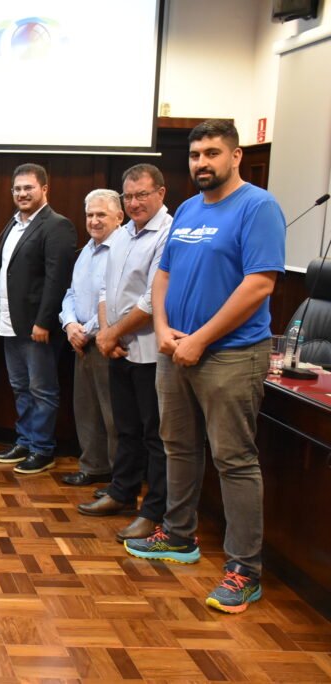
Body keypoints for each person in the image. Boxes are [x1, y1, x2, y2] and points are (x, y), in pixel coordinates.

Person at [125, 120, 286, 614]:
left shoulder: (258, 207)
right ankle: (178, 535)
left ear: (236, 156)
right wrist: (169, 330)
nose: (201, 162)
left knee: (234, 461)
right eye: (195, 154)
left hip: (232, 354)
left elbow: (260, 284)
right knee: (178, 447)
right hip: (177, 350)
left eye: (212, 153)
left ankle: (243, 571)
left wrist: (200, 339)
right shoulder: (191, 209)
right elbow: (164, 274)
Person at [81, 165, 172, 543]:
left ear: (160, 194)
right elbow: (105, 289)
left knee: (155, 435)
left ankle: (153, 511)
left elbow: (153, 299)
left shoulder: (168, 233)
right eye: (129, 196)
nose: (134, 203)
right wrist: (106, 334)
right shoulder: (122, 236)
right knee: (127, 428)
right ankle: (121, 491)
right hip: (118, 348)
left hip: (150, 351)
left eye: (142, 195)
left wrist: (112, 333)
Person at [0, 163, 77, 474]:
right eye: (17, 189)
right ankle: (25, 441)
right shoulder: (13, 224)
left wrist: (45, 322)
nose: (23, 194)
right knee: (20, 387)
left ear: (44, 189)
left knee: (42, 390)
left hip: (37, 327)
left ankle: (42, 448)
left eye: (29, 188)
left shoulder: (57, 226)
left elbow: (57, 279)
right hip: (9, 323)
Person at [59, 189, 120, 487]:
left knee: (113, 414)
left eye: (101, 215)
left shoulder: (121, 249)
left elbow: (119, 299)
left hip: (107, 342)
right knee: (86, 409)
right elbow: (72, 292)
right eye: (90, 215)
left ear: (119, 217)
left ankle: (119, 480)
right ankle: (93, 467)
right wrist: (70, 324)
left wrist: (88, 330)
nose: (94, 221)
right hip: (81, 341)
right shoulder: (87, 249)